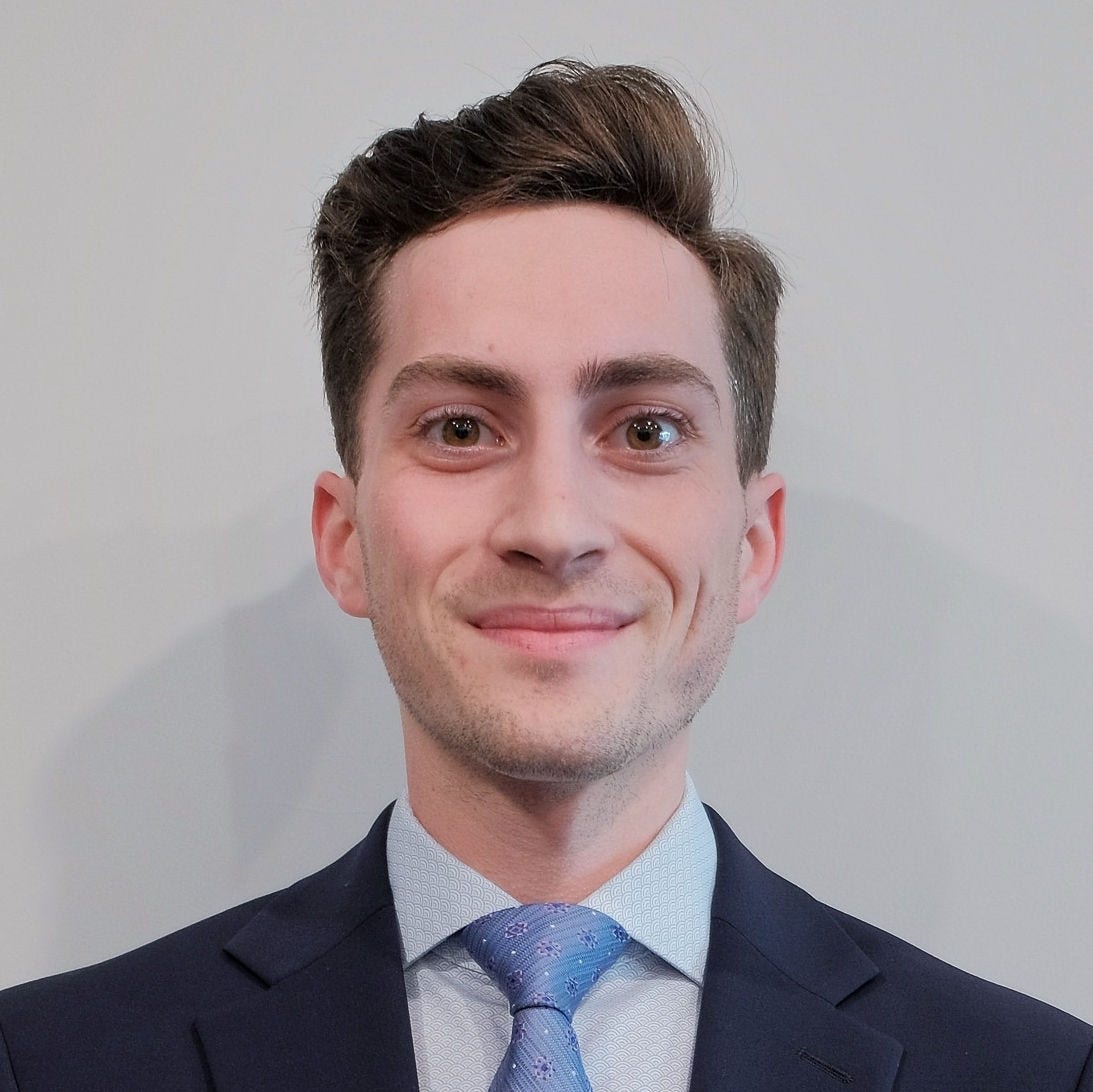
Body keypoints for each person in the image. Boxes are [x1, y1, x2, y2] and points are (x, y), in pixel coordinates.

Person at [0, 59, 1089, 1092]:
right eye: (462, 427)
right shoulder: (46, 1065)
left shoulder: (1036, 1076)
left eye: (648, 429)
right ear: (344, 540)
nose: (554, 524)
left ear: (753, 544)